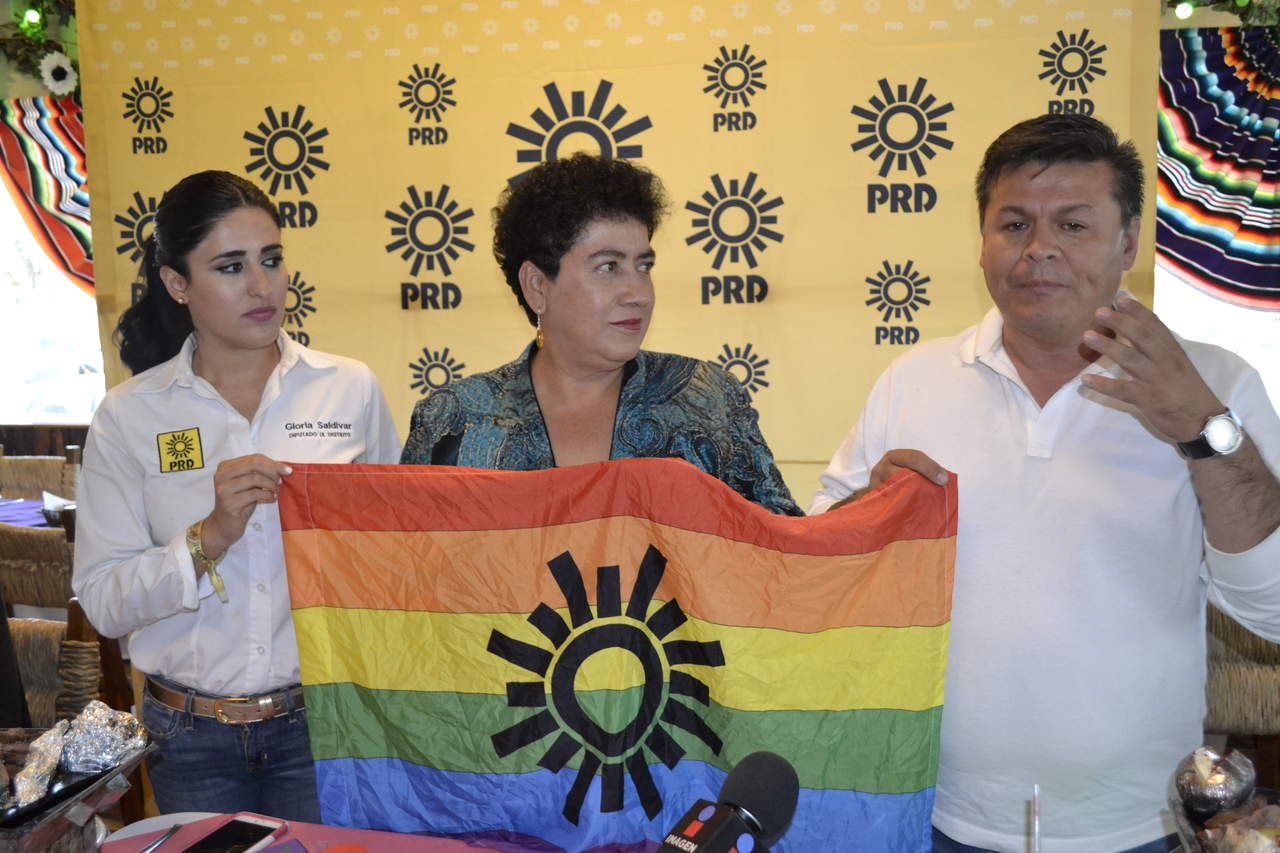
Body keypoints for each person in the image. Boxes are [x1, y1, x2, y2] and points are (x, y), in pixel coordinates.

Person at [811, 114, 1280, 853]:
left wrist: (1203, 428)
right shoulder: (913, 380)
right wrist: (867, 517)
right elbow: (822, 573)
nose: (1039, 249)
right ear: (982, 241)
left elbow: (1274, 608)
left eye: (1073, 224)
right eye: (1015, 224)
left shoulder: (1213, 381)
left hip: (1141, 825)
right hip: (933, 812)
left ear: (1129, 241)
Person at [73, 171, 400, 821]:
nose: (261, 286)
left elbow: (394, 557)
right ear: (178, 283)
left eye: (271, 260)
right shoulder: (130, 415)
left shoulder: (348, 388)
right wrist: (208, 538)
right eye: (230, 267)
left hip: (324, 722)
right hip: (188, 737)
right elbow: (104, 602)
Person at [400, 153, 801, 516]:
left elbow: (781, 548)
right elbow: (408, 561)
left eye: (643, 266)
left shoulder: (707, 398)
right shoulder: (453, 418)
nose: (638, 294)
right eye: (609, 267)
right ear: (537, 286)